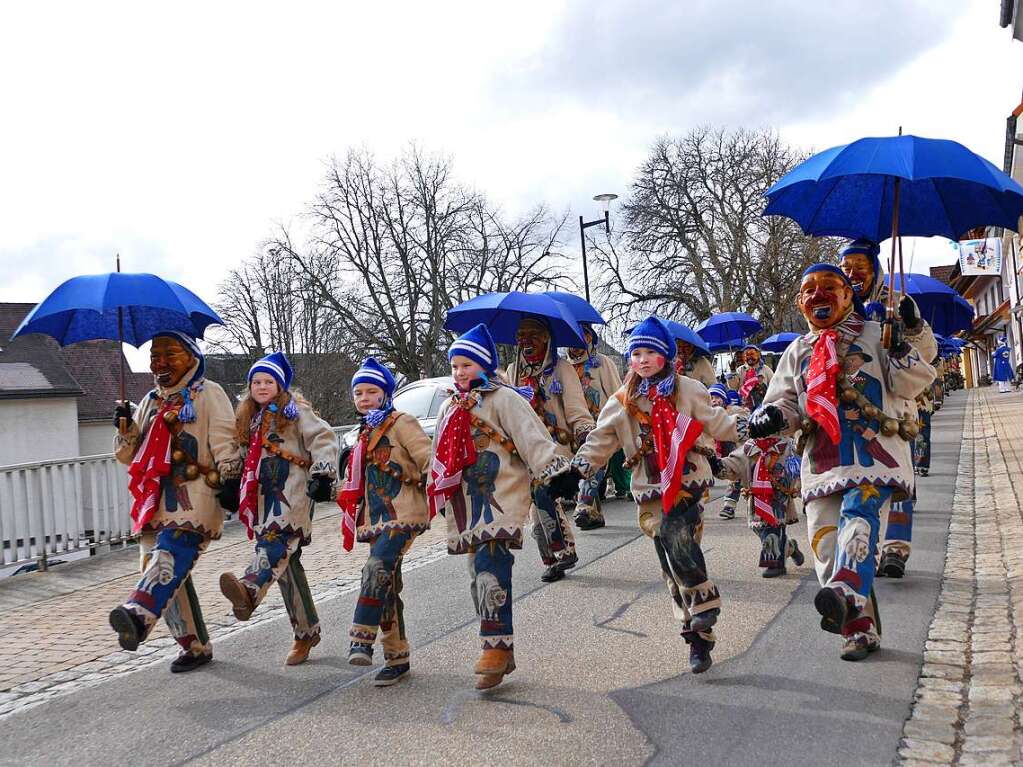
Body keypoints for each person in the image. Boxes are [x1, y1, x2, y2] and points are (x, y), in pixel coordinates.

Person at [750, 264, 935, 661]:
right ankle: (860, 626)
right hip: (822, 461)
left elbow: (914, 381)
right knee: (826, 546)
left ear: (849, 295)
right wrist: (773, 417)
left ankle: (848, 590)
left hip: (874, 457)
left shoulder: (876, 333)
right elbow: (784, 401)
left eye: (830, 287)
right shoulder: (798, 350)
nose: (818, 295)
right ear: (799, 302)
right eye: (809, 290)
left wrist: (903, 340)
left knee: (859, 517)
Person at [573, 317, 742, 673]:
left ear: (666, 355)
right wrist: (582, 466)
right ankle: (697, 639)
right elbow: (602, 438)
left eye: (651, 351)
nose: (643, 359)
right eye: (636, 353)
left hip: (687, 483)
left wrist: (745, 424)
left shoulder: (688, 389)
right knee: (669, 568)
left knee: (676, 534)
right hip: (649, 491)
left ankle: (705, 603)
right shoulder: (623, 400)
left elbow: (716, 422)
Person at [429, 324, 579, 689]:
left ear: (483, 365)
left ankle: (493, 648)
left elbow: (532, 436)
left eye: (467, 364)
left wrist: (555, 470)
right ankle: (502, 647)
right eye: (455, 366)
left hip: (503, 495)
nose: (460, 372)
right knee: (475, 574)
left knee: (490, 562)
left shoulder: (504, 399)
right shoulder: (450, 406)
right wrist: (437, 492)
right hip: (467, 501)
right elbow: (439, 453)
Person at [108, 331, 242, 672]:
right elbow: (128, 456)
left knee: (169, 556)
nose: (160, 363)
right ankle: (193, 645)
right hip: (156, 499)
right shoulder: (151, 401)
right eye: (155, 356)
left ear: (191, 356)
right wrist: (125, 426)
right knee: (154, 566)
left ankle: (137, 614)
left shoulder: (208, 393)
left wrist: (231, 477)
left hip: (196, 494)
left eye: (170, 354)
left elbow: (225, 437)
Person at [216, 352, 337, 666]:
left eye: (268, 381)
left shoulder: (296, 411)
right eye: (256, 381)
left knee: (275, 544)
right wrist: (230, 480)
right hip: (264, 498)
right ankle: (305, 633)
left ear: (280, 385)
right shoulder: (247, 418)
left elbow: (323, 437)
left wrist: (323, 473)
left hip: (294, 491)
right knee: (286, 566)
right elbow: (239, 452)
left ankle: (249, 589)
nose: (261, 386)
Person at [337, 357, 432, 686]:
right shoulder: (362, 434)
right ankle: (397, 657)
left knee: (376, 569)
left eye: (371, 391)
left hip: (404, 514)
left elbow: (426, 455)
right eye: (358, 392)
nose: (364, 397)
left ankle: (360, 638)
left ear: (385, 394)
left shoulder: (400, 422)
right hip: (375, 519)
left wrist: (441, 492)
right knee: (386, 586)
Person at [507, 317, 595, 581]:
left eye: (532, 334)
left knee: (543, 494)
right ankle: (558, 556)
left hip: (555, 447)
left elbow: (577, 408)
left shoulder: (562, 369)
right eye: (521, 335)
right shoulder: (513, 371)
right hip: (526, 449)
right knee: (538, 516)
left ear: (546, 338)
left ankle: (562, 551)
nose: (525, 341)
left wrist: (585, 431)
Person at [713, 435, 805, 577]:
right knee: (760, 529)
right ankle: (790, 548)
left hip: (778, 498)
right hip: (756, 497)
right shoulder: (749, 448)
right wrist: (715, 463)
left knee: (773, 528)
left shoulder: (786, 446)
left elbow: (799, 467)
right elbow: (733, 465)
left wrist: (799, 488)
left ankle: (774, 563)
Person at [561, 323, 623, 530]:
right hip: (575, 428)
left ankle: (584, 504)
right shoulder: (563, 366)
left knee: (595, 462)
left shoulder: (602, 363)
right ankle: (593, 514)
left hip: (601, 425)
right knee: (583, 463)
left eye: (584, 336)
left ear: (590, 338)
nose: (578, 341)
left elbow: (617, 393)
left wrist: (617, 422)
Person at [709, 383, 745, 521]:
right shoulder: (707, 416)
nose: (714, 400)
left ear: (724, 399)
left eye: (717, 397)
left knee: (737, 478)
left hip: (740, 450)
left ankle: (729, 507)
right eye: (711, 397)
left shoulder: (734, 411)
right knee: (734, 478)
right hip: (723, 452)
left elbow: (745, 425)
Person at [735, 344, 773, 408]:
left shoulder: (765, 369)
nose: (749, 357)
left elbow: (774, 385)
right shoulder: (740, 370)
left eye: (752, 354)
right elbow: (734, 387)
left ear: (758, 355)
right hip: (744, 405)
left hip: (762, 405)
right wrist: (733, 372)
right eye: (747, 355)